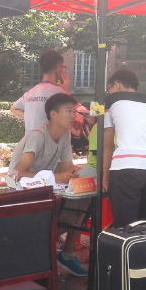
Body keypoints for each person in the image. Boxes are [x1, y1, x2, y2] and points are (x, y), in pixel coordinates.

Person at [8, 93, 88, 276]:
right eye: (69, 111)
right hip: (21, 192)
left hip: (45, 189)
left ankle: (66, 255)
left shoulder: (65, 135)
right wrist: (56, 177)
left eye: (74, 112)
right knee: (62, 218)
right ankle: (35, 254)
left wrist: (90, 172)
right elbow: (19, 174)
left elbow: (68, 167)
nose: (74, 116)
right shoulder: (38, 136)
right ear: (53, 114)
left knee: (84, 201)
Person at [102, 69, 146, 227]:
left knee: (126, 228)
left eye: (109, 88)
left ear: (116, 85)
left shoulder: (110, 100)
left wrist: (106, 177)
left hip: (126, 168)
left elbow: (108, 144)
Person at [11, 50, 70, 133]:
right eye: (63, 68)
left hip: (31, 140)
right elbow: (72, 116)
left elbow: (14, 108)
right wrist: (66, 91)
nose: (64, 71)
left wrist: (31, 119)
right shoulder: (58, 92)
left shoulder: (29, 93)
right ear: (58, 69)